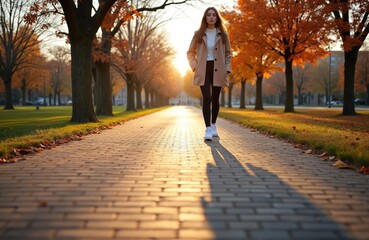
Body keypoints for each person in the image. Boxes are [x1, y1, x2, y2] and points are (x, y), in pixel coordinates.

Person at [187, 7, 232, 141]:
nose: (211, 17)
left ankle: (213, 125)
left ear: (217, 18)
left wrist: (227, 68)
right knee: (206, 97)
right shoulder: (198, 34)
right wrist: (194, 66)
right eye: (209, 15)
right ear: (205, 18)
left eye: (214, 15)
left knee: (215, 98)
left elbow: (228, 53)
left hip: (218, 68)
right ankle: (207, 128)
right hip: (203, 68)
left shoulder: (223, 35)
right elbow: (190, 52)